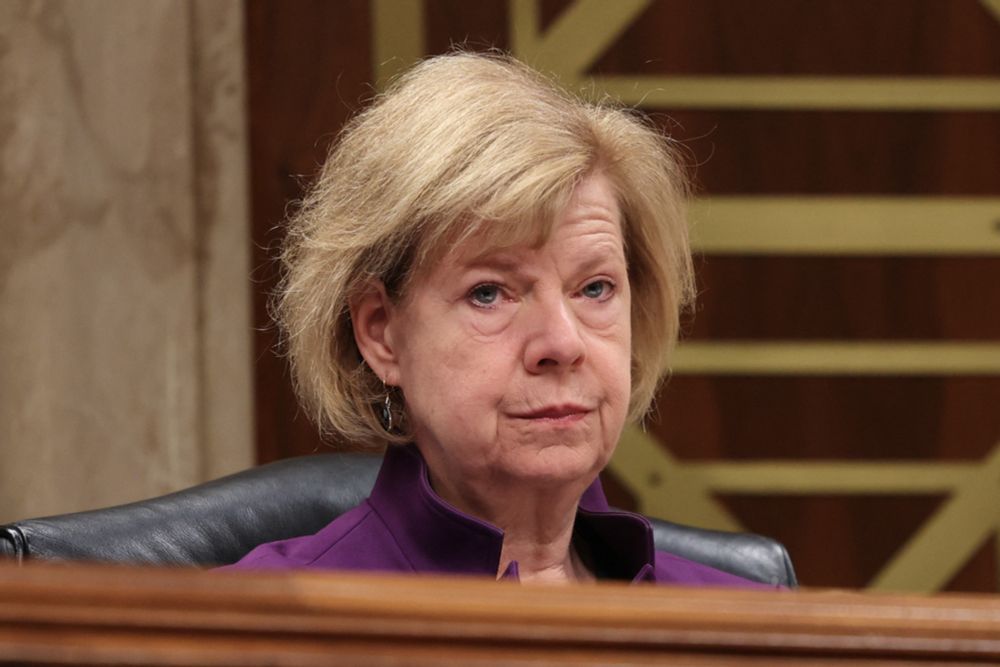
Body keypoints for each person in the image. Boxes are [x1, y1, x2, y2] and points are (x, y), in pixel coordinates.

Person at [224, 52, 771, 587]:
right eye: (489, 293)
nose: (563, 343)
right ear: (380, 333)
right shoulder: (261, 620)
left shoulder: (745, 619)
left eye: (595, 288)